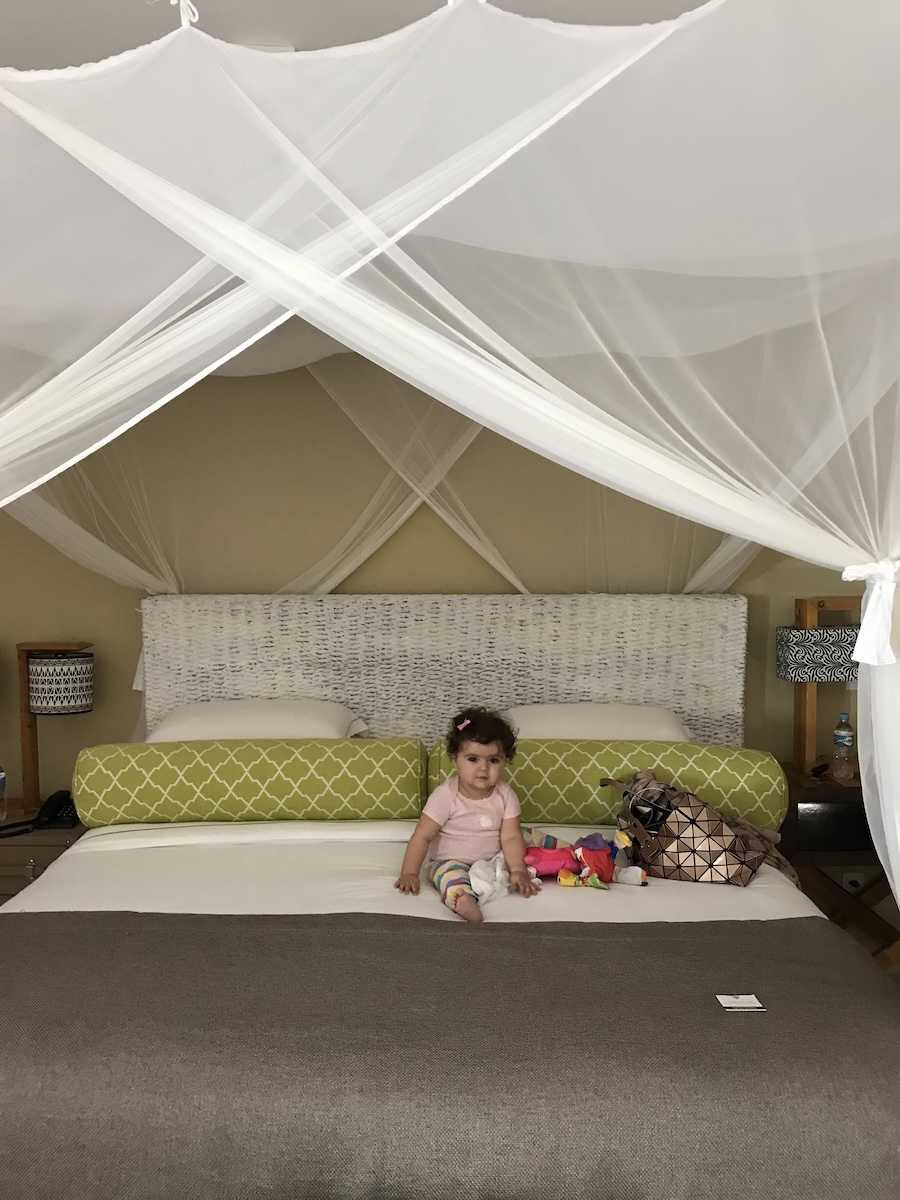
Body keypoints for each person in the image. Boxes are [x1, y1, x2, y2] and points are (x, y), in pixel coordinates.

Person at [395, 706, 538, 923]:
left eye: (493, 760)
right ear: (455, 760)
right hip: (450, 860)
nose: (483, 768)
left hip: (493, 859)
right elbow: (422, 836)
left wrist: (517, 869)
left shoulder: (505, 795)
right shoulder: (446, 795)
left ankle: (573, 853)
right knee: (450, 875)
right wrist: (409, 873)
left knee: (527, 836)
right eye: (473, 759)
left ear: (505, 760)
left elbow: (510, 837)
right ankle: (462, 899)